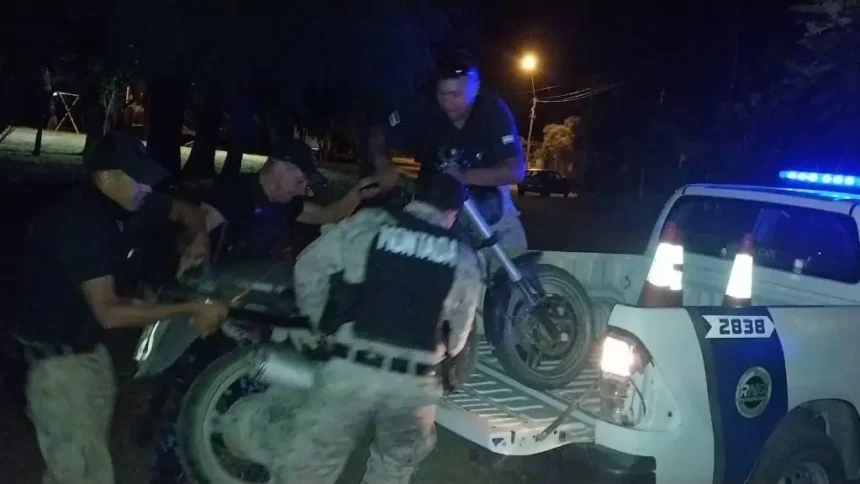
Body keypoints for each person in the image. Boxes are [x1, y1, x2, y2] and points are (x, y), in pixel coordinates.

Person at [219, 173, 482, 484]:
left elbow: (309, 267)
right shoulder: (463, 257)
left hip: (352, 367)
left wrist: (320, 321)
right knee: (396, 466)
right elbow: (459, 337)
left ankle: (249, 436)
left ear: (414, 199)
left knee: (311, 465)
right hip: (412, 384)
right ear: (453, 213)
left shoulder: (370, 224)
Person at [148, 138, 382, 483]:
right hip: (213, 316)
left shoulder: (285, 204)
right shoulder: (236, 193)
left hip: (252, 316)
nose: (302, 188)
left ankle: (238, 464)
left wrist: (357, 195)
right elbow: (195, 230)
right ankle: (169, 470)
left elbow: (327, 214)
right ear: (279, 168)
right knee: (193, 395)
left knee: (248, 391)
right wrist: (192, 259)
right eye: (299, 179)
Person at [12, 131, 231, 484]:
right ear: (107, 177)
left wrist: (197, 240)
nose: (147, 188)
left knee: (80, 463)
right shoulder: (78, 223)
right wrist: (192, 308)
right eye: (139, 180)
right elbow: (110, 312)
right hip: (55, 366)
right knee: (84, 474)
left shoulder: (129, 202)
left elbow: (188, 211)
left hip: (90, 353)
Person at [369, 50, 528, 270]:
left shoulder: (493, 111)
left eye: (456, 95)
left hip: (488, 192)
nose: (447, 102)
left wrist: (464, 176)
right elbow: (378, 131)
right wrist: (382, 164)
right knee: (416, 259)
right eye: (442, 93)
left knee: (515, 259)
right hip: (434, 192)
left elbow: (516, 170)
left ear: (476, 88)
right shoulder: (422, 106)